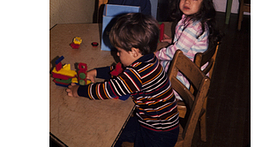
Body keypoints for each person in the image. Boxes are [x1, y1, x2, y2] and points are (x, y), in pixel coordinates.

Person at [66, 13, 179, 147]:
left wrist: (77, 91)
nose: (117, 54)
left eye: (119, 51)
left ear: (134, 52)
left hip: (158, 134)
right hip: (157, 122)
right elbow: (119, 72)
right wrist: (96, 72)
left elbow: (105, 91)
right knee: (115, 132)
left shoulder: (137, 74)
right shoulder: (149, 59)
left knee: (111, 133)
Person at [155, 0, 221, 91]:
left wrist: (156, 54)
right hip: (189, 70)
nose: (187, 1)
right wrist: (173, 40)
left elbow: (176, 51)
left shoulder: (194, 27)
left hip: (184, 80)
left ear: (204, 3)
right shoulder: (192, 20)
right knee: (157, 67)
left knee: (152, 74)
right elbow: (189, 44)